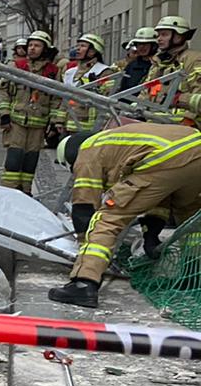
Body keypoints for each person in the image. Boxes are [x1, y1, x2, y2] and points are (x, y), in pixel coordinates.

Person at [50, 124, 201, 308]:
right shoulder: (114, 145)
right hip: (194, 150)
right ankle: (194, 275)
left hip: (166, 156)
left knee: (107, 218)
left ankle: (84, 283)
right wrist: (151, 234)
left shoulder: (88, 151)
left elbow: (84, 207)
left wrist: (85, 250)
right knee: (190, 217)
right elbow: (160, 194)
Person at [0, 30, 60, 195]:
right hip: (16, 121)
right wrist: (4, 114)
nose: (32, 48)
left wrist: (54, 122)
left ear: (45, 49)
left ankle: (26, 192)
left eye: (37, 45)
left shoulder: (53, 71)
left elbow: (57, 98)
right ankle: (9, 192)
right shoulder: (18, 66)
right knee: (14, 158)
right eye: (30, 45)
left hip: (38, 124)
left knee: (31, 161)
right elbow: (3, 91)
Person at [49, 32, 113, 141]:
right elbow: (65, 98)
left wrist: (103, 126)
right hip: (69, 125)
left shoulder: (104, 72)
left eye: (83, 46)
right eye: (78, 46)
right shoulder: (70, 72)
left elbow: (108, 100)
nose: (78, 49)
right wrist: (59, 120)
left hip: (92, 127)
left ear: (93, 51)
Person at [151, 15, 201, 125]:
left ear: (179, 36)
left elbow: (198, 97)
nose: (159, 39)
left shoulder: (195, 60)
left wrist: (188, 118)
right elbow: (146, 92)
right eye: (158, 35)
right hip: (154, 122)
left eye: (164, 34)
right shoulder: (158, 62)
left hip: (183, 126)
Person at [116, 26, 159, 92]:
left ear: (154, 46)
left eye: (145, 44)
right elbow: (123, 88)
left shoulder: (159, 65)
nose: (141, 47)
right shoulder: (131, 66)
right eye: (139, 44)